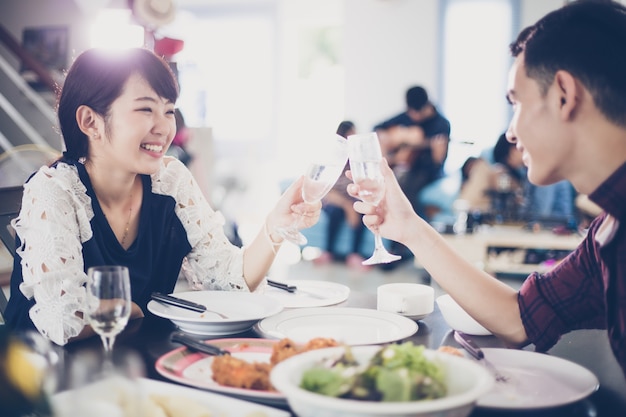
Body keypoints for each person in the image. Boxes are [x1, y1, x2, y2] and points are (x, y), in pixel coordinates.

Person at [349, 0, 626, 377]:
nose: (511, 132)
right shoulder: (606, 237)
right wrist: (409, 227)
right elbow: (518, 318)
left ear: (564, 94)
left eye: (516, 103)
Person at [4, 47, 321, 346]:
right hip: (40, 376)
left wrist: (276, 224)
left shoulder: (171, 181)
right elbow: (63, 320)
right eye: (145, 109)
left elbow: (231, 281)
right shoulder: (54, 190)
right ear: (91, 122)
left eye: (169, 110)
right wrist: (137, 309)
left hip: (134, 361)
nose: (164, 126)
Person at [374, 86, 451, 215]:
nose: (414, 116)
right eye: (411, 112)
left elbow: (438, 163)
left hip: (428, 171)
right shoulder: (406, 116)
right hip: (407, 168)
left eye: (418, 112)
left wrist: (437, 155)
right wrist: (398, 137)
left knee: (406, 189)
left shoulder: (441, 124)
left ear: (427, 106)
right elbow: (377, 128)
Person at [315, 121, 370, 270]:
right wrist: (346, 206)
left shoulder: (357, 160)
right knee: (336, 212)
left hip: (352, 198)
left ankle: (354, 254)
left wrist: (352, 205)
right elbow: (326, 190)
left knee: (361, 211)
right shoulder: (333, 158)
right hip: (334, 200)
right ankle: (327, 251)